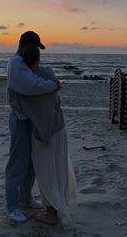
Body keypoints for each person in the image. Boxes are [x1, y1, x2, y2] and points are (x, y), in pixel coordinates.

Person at [19, 45, 77, 225]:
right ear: (39, 58)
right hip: (59, 127)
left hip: (42, 133)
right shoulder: (49, 73)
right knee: (58, 169)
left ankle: (51, 214)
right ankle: (58, 208)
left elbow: (22, 111)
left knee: (45, 173)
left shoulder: (25, 84)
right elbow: (57, 102)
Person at [5, 31, 58, 223]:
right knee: (17, 165)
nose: (36, 51)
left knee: (30, 164)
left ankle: (25, 199)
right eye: (35, 47)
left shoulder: (21, 63)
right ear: (26, 46)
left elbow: (33, 83)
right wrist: (52, 85)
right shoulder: (16, 63)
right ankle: (12, 207)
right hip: (20, 120)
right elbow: (31, 85)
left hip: (29, 120)